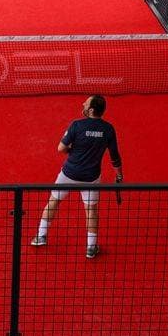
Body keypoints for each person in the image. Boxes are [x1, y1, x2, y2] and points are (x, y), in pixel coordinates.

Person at [31, 95, 122, 259]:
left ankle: (40, 236)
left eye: (86, 103)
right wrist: (119, 174)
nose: (83, 104)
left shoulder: (77, 125)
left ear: (91, 110)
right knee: (91, 211)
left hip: (69, 174)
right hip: (91, 178)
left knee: (53, 201)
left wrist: (71, 151)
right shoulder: (108, 129)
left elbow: (61, 148)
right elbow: (114, 155)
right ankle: (91, 247)